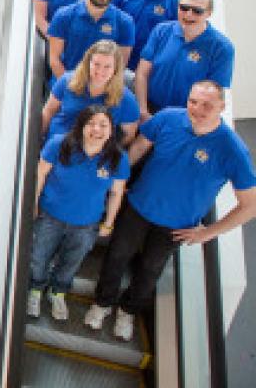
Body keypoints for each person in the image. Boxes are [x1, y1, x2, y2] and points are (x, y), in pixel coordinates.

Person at [86, 82, 256, 342]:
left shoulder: (233, 150)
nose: (197, 109)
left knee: (150, 270)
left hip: (176, 226)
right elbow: (141, 145)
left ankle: (127, 311)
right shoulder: (168, 118)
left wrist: (208, 233)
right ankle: (102, 303)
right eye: (193, 101)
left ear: (222, 107)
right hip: (138, 206)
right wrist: (117, 182)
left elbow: (250, 205)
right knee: (117, 256)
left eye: (207, 105)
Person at [29, 106, 129, 321]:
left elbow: (116, 192)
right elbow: (40, 174)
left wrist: (109, 222)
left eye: (103, 125)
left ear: (111, 130)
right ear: (81, 126)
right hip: (50, 216)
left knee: (71, 261)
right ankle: (35, 290)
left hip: (86, 224)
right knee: (38, 256)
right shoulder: (59, 144)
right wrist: (33, 203)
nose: (97, 129)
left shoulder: (118, 158)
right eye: (91, 123)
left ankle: (58, 292)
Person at [135, 0, 234, 117]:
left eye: (197, 11)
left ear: (209, 13)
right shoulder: (161, 31)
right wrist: (143, 111)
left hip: (189, 116)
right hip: (150, 110)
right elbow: (142, 73)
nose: (188, 14)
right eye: (184, 8)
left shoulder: (222, 47)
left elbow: (214, 94)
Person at [42, 40, 140, 144]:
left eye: (107, 67)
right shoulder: (67, 81)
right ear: (87, 62)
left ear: (115, 69)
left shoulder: (127, 99)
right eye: (96, 64)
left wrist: (107, 153)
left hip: (94, 152)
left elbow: (128, 134)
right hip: (58, 143)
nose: (100, 71)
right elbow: (48, 112)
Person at [47, 0, 134, 80]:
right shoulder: (64, 15)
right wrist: (70, 87)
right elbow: (54, 59)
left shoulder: (125, 22)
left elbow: (120, 65)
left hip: (102, 87)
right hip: (65, 82)